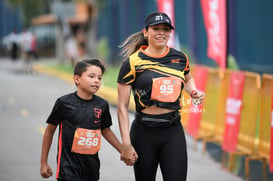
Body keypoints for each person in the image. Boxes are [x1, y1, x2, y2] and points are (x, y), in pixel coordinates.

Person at [117, 12, 205, 181]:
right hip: (144, 133)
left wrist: (193, 91)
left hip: (172, 131)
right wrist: (126, 145)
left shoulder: (180, 58)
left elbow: (187, 78)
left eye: (165, 29)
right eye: (156, 28)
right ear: (146, 32)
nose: (161, 32)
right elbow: (121, 107)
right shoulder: (132, 62)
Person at [40, 59, 131, 181]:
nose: (96, 81)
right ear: (77, 79)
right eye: (91, 76)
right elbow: (50, 131)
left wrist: (123, 150)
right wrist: (43, 162)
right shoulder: (64, 103)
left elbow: (106, 131)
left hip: (91, 169)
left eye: (99, 78)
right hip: (68, 168)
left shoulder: (102, 104)